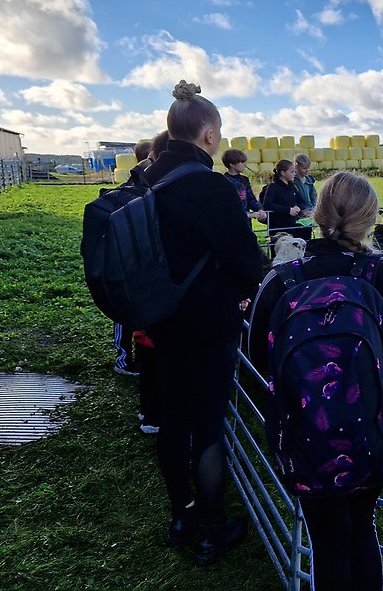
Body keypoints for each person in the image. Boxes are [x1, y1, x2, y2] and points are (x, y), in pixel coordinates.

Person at [250, 171, 383, 591]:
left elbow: (259, 355)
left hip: (304, 437)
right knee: (361, 524)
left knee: (327, 539)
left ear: (317, 216)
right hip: (371, 433)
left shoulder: (282, 280)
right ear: (369, 220)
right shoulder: (382, 274)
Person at [144, 80, 264, 567]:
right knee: (208, 423)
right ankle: (212, 531)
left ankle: (182, 516)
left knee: (173, 418)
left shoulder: (146, 178)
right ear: (210, 134)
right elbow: (245, 262)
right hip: (208, 321)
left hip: (158, 318)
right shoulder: (210, 187)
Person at [111, 140, 153, 376]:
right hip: (127, 264)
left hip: (144, 262)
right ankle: (123, 358)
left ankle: (142, 356)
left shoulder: (154, 186)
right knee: (125, 313)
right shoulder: (129, 190)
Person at [259, 159, 312, 240]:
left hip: (292, 223)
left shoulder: (292, 187)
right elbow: (267, 204)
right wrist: (288, 210)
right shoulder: (273, 187)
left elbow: (301, 202)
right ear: (283, 173)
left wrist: (299, 208)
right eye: (292, 172)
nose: (294, 174)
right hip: (278, 226)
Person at [221, 148, 267, 222]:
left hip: (246, 223)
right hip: (231, 223)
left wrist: (260, 209)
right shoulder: (223, 181)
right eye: (242, 162)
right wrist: (249, 215)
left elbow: (251, 200)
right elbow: (227, 207)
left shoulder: (244, 180)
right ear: (231, 164)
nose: (245, 165)